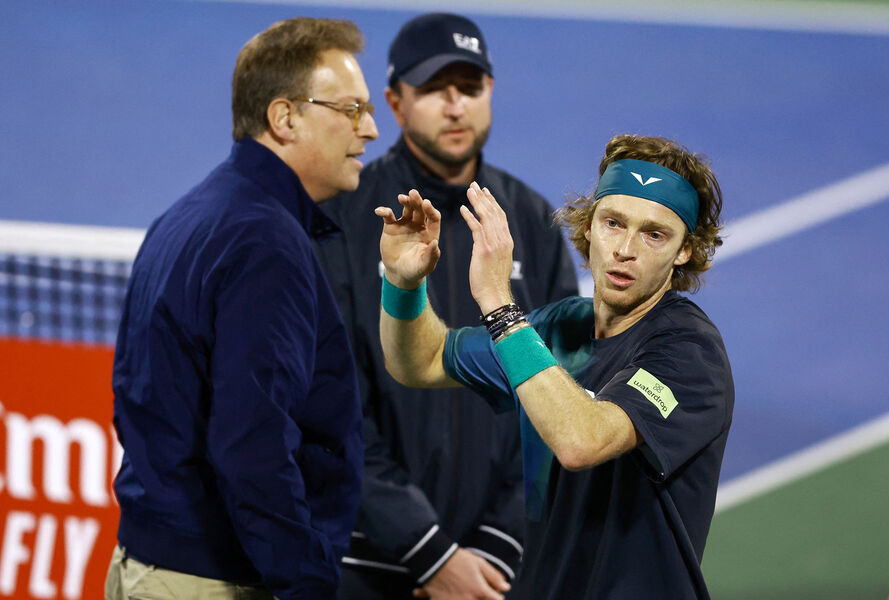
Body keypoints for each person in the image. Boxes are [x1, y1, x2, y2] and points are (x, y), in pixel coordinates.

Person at [376, 134, 734, 599]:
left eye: (654, 234)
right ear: (589, 226)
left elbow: (582, 441)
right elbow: (420, 362)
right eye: (613, 223)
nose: (625, 248)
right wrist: (403, 284)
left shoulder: (689, 352)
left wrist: (499, 304)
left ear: (685, 250)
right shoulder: (558, 327)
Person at [105, 17, 379, 600]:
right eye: (351, 109)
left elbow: (131, 391)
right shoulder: (265, 243)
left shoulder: (188, 214)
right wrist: (305, 583)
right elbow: (253, 443)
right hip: (212, 581)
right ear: (285, 118)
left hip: (150, 566)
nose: (371, 129)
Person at [316, 12, 578, 600]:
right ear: (395, 102)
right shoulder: (343, 218)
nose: (456, 105)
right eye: (434, 88)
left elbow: (562, 389)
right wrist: (429, 553)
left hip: (495, 571)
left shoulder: (531, 220)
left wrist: (498, 544)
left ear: (491, 91)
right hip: (368, 565)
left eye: (470, 86)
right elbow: (330, 405)